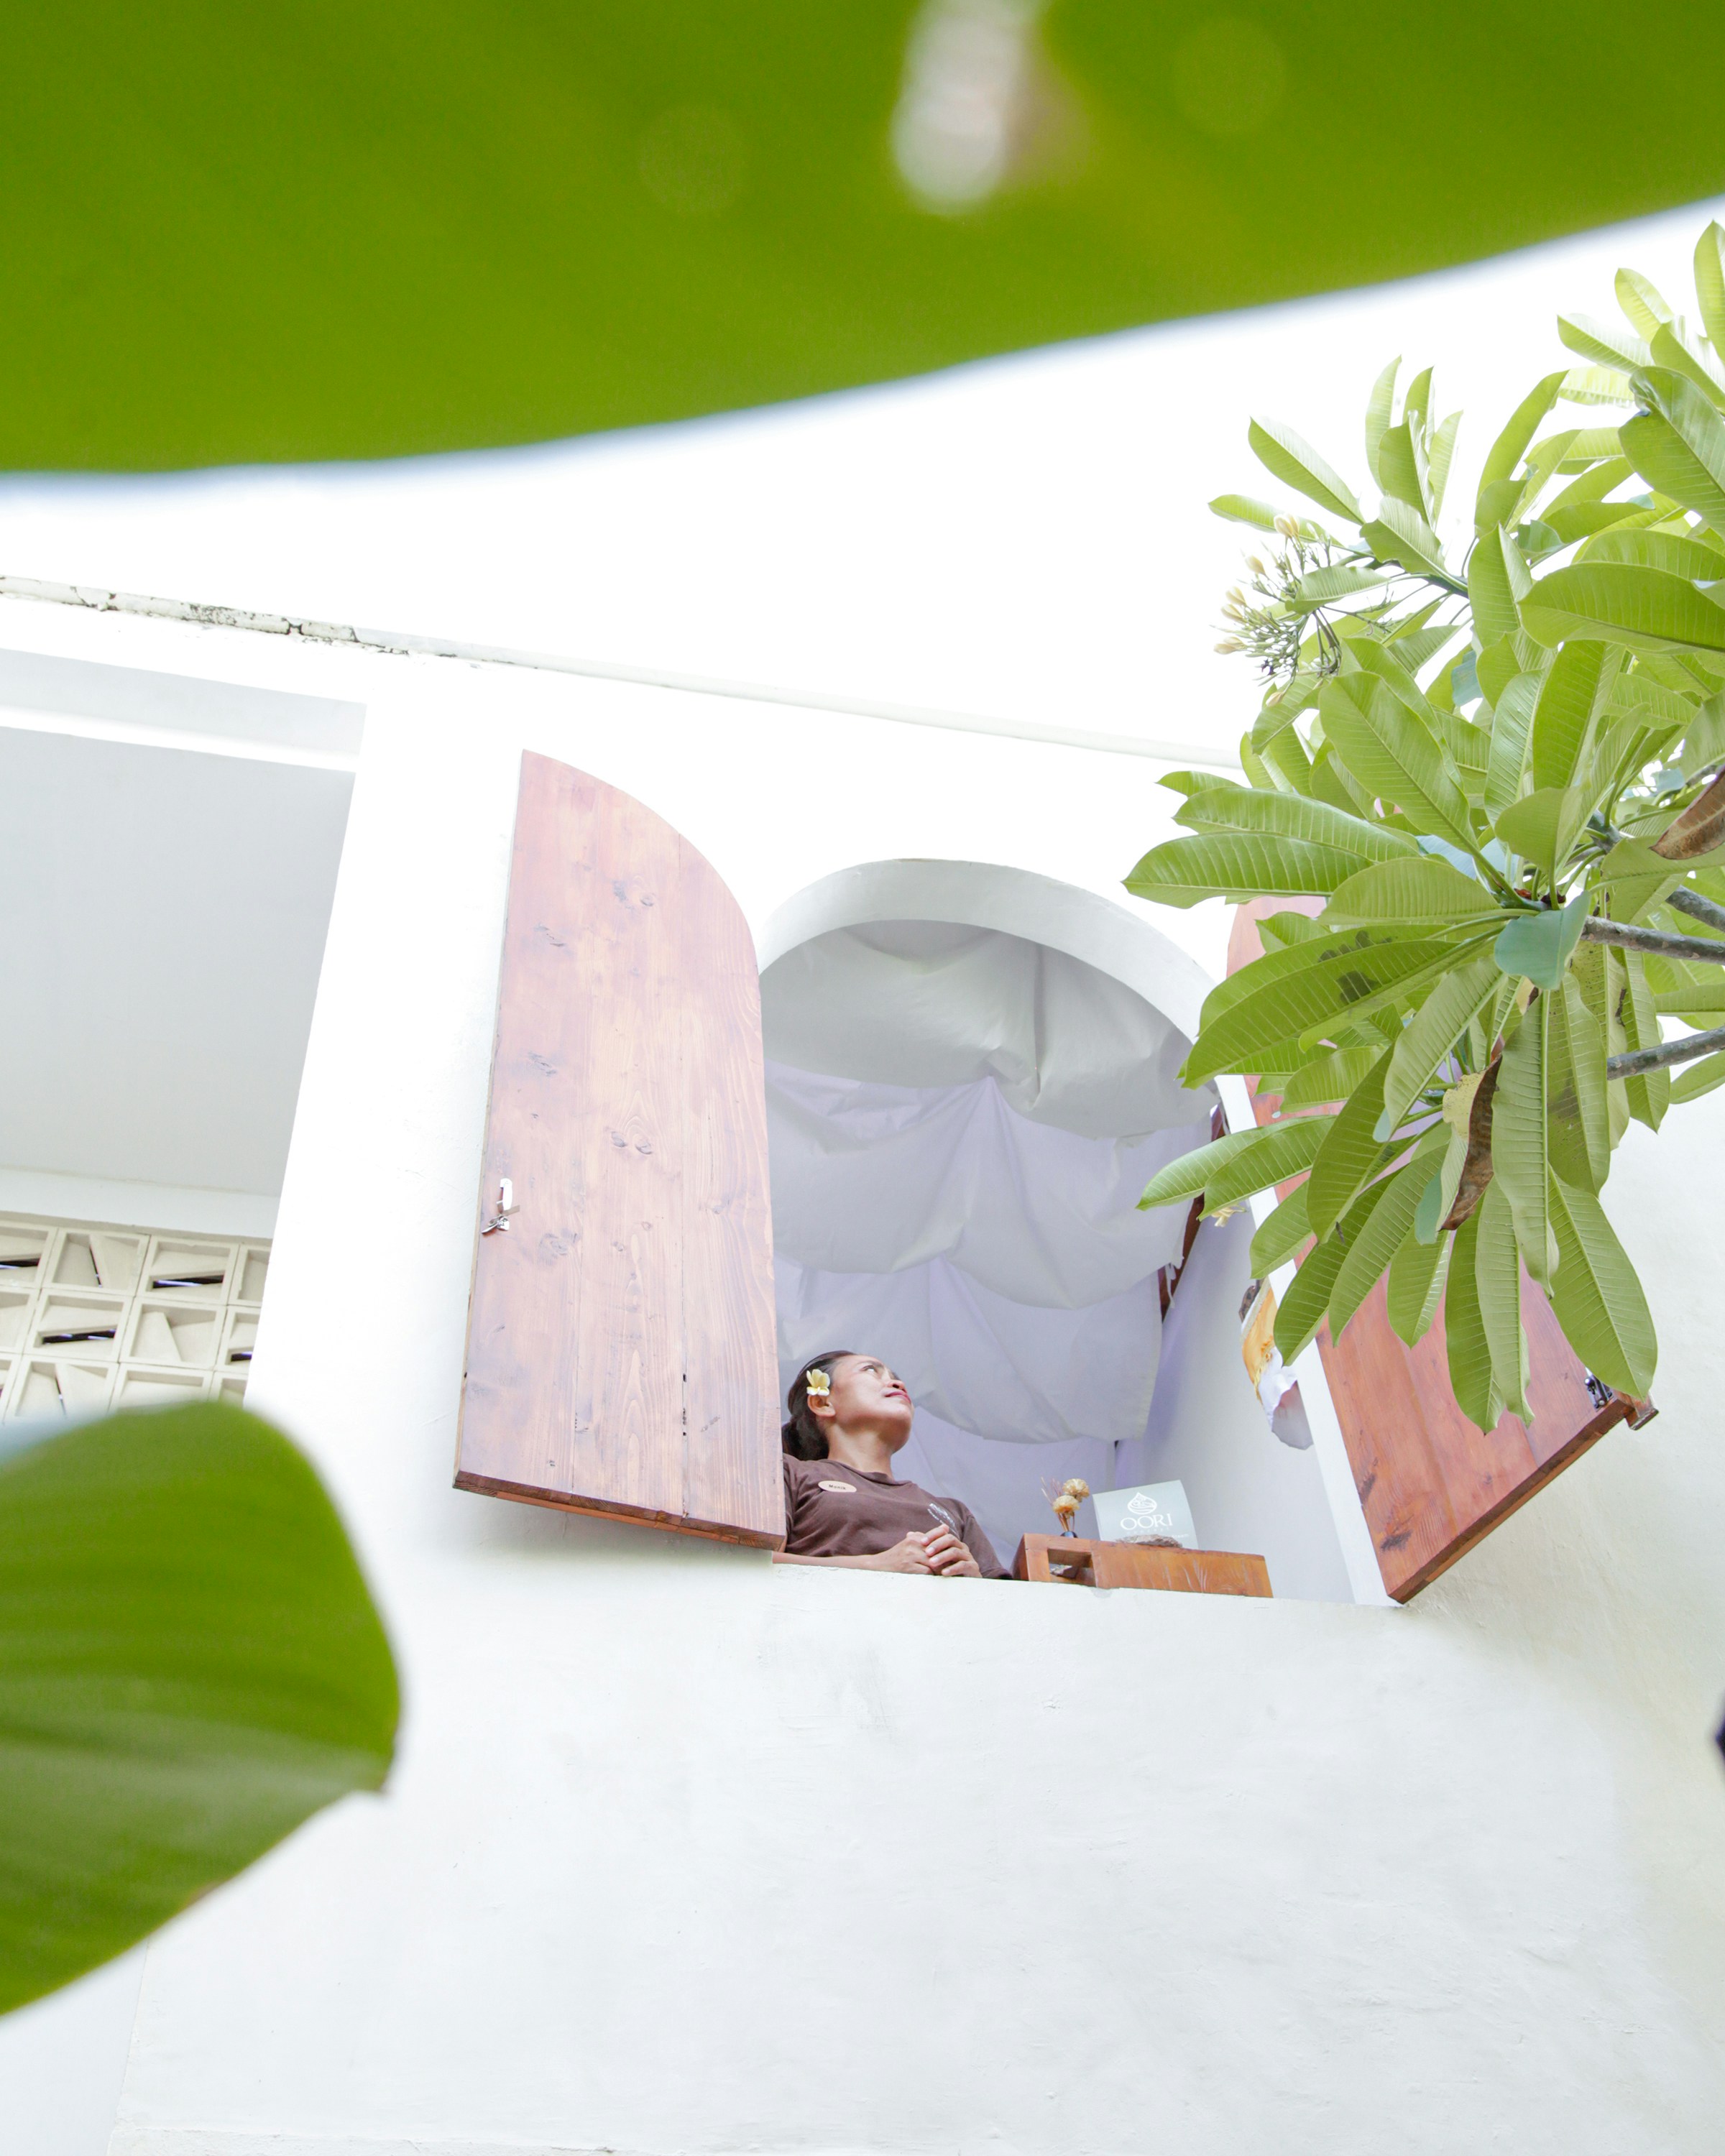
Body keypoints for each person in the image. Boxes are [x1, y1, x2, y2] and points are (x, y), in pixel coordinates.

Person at [774, 1350, 1011, 1577]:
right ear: (822, 1403)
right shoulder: (787, 1473)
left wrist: (974, 1582)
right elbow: (756, 1564)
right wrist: (876, 1565)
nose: (899, 1384)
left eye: (895, 1377)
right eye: (870, 1370)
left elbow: (1007, 1600)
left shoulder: (956, 1512)